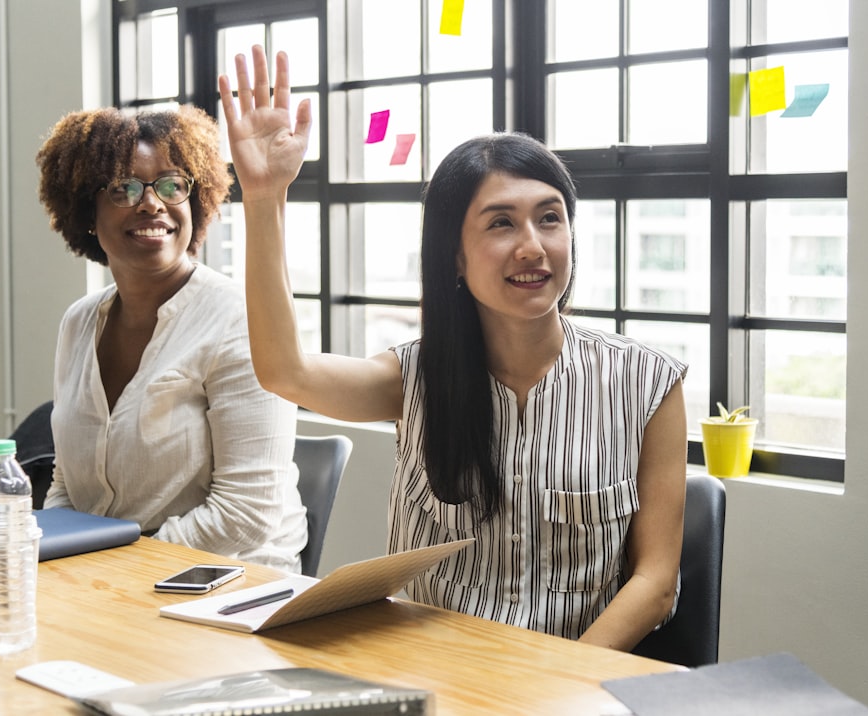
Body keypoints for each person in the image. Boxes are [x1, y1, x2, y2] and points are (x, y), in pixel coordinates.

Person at [218, 46, 689, 650]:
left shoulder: (646, 382)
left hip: (578, 683)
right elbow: (285, 371)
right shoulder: (414, 378)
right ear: (456, 259)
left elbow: (656, 582)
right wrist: (264, 198)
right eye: (500, 223)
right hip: (440, 675)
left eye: (550, 218)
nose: (532, 246)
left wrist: (562, 685)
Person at [34, 104, 307, 571]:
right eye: (123, 188)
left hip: (229, 584)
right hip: (111, 581)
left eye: (172, 185)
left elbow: (244, 516)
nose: (152, 203)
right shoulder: (79, 322)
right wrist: (56, 556)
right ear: (86, 212)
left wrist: (114, 568)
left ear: (194, 202)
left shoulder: (240, 318)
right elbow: (68, 481)